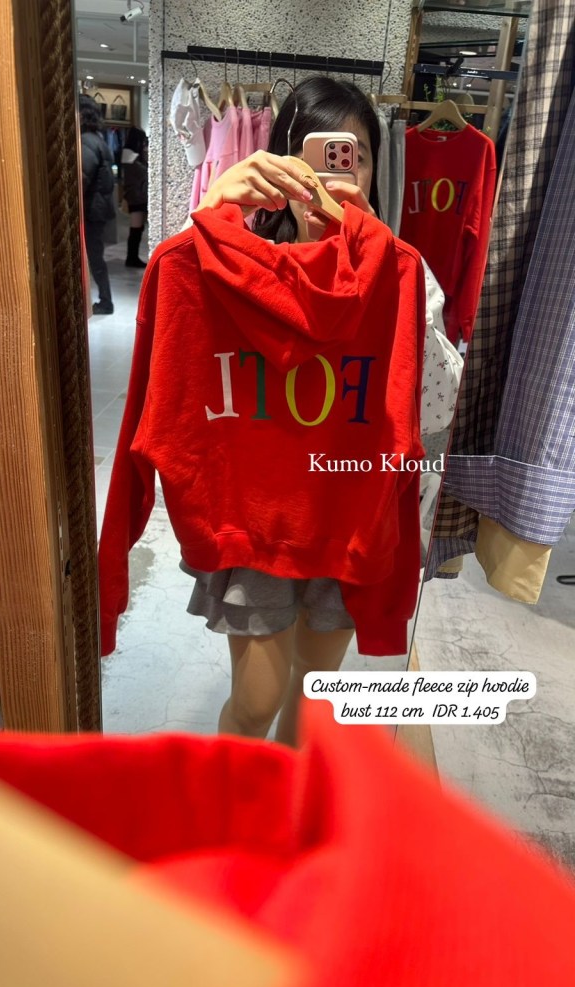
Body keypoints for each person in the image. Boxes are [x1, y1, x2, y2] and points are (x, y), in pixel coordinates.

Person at [182, 77, 419, 748]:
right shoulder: (234, 273)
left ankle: (284, 801)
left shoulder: (399, 276)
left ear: (374, 172)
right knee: (255, 701)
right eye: (319, 154)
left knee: (315, 698)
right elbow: (183, 333)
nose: (337, 175)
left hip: (348, 517)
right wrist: (215, 209)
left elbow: (423, 413)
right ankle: (232, 800)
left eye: (356, 156)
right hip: (259, 520)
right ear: (282, 162)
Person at [79, 95, 116, 315]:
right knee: (95, 256)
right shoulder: (98, 139)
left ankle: (105, 301)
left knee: (93, 256)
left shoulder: (86, 141)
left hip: (91, 209)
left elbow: (82, 178)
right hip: (98, 208)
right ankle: (104, 300)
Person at [121, 127, 149, 269]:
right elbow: (143, 173)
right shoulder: (130, 156)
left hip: (137, 196)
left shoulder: (131, 155)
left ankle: (133, 257)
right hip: (136, 197)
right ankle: (132, 258)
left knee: (138, 228)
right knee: (136, 228)